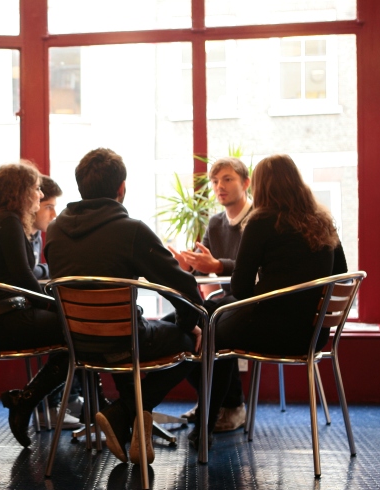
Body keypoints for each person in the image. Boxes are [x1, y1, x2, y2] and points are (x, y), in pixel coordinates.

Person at [45, 147, 203, 465]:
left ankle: (125, 417)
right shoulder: (131, 231)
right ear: (122, 187)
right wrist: (190, 325)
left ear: (81, 187)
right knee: (195, 342)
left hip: (77, 344)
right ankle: (123, 412)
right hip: (125, 343)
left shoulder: (54, 230)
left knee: (138, 330)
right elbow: (184, 288)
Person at [196, 153, 348, 449]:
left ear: (259, 186)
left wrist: (264, 289)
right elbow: (340, 275)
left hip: (272, 331)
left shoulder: (262, 221)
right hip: (314, 335)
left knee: (209, 326)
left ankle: (206, 426)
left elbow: (240, 288)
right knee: (214, 313)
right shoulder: (323, 221)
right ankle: (215, 418)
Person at [0, 161, 69, 448]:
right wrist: (54, 306)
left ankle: (27, 400)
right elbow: (23, 276)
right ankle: (26, 402)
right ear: (22, 192)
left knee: (73, 328)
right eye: (36, 188)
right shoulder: (9, 221)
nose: (40, 194)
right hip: (1, 325)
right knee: (78, 330)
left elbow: (21, 277)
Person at [168, 157, 252, 432]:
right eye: (215, 181)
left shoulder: (258, 219)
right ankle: (210, 399)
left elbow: (256, 269)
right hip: (228, 300)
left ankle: (233, 405)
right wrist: (185, 266)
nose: (219, 187)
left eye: (227, 179)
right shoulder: (215, 223)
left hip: (253, 300)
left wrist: (218, 265)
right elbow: (202, 264)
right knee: (181, 321)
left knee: (213, 319)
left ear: (246, 183)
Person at [28, 177, 84, 430]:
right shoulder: (16, 232)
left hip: (25, 306)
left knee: (73, 320)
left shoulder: (36, 236)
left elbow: (36, 271)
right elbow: (30, 273)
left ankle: (70, 399)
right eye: (48, 206)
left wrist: (43, 269)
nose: (54, 215)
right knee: (73, 325)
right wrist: (47, 268)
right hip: (10, 316)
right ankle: (50, 405)